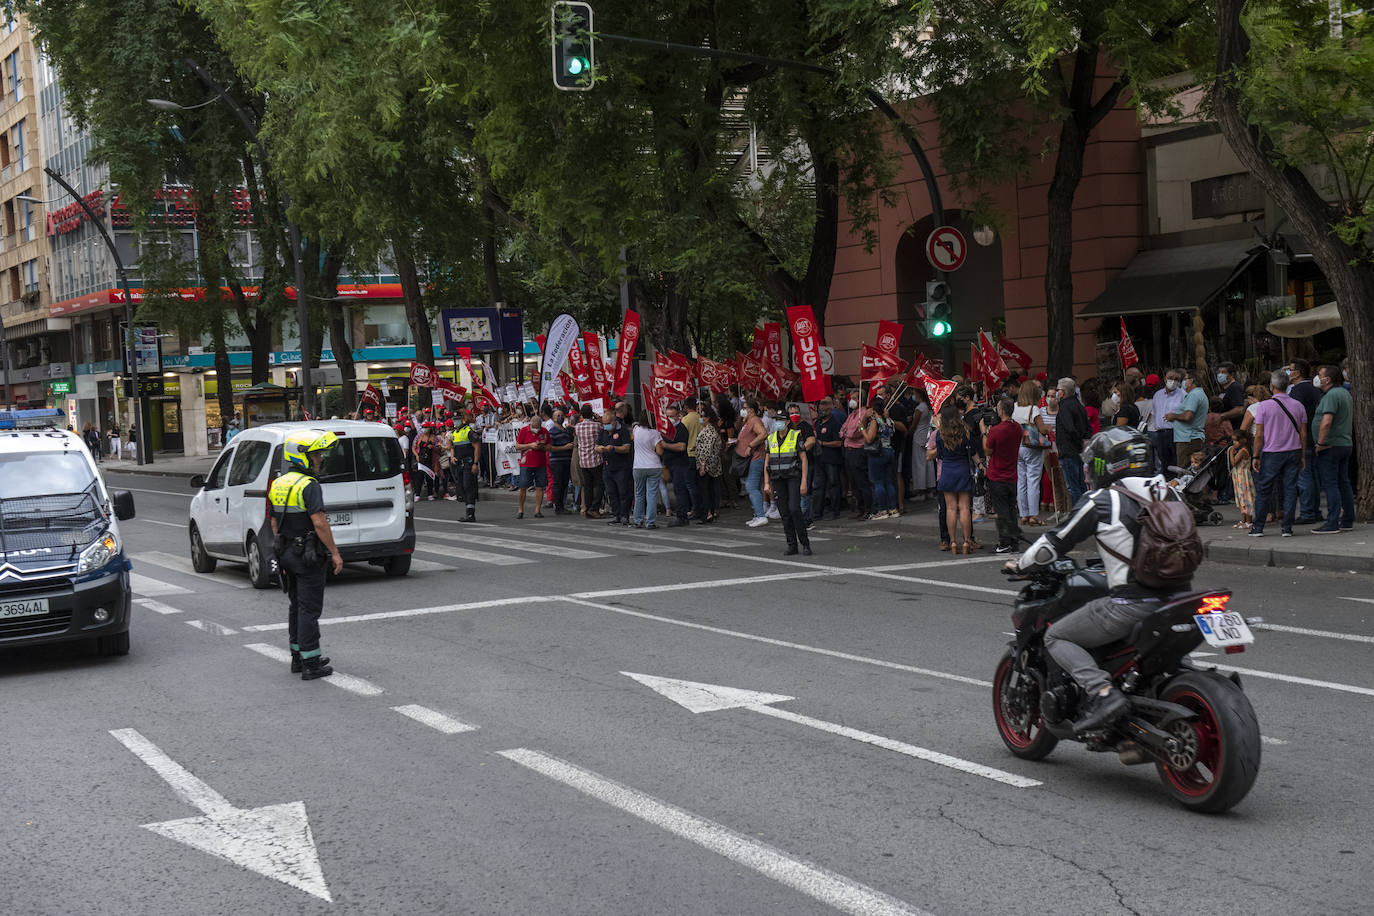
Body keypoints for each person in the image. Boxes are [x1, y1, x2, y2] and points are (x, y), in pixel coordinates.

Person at [1006, 427, 1181, 732]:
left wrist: (1022, 564)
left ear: (1110, 464)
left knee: (1056, 636)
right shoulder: (1169, 490)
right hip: (1179, 598)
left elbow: (1054, 543)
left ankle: (1102, 693)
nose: (1090, 471)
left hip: (1133, 603)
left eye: (1095, 463)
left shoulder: (1103, 499)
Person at [267, 430, 344, 681]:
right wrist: (334, 552)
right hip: (309, 554)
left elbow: (274, 522)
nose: (320, 458)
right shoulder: (309, 486)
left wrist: (282, 546)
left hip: (287, 551)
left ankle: (298, 657)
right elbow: (320, 523)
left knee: (296, 605)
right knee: (309, 609)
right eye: (316, 454)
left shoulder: (278, 483)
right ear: (301, 457)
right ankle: (311, 663)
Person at [1248, 369, 1308, 538]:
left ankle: (1258, 527)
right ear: (1287, 385)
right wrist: (1303, 455)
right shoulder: (1298, 405)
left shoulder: (1264, 406)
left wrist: (1255, 456)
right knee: (1290, 489)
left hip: (1272, 452)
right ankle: (1287, 527)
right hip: (1294, 450)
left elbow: (1259, 435)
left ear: (1272, 385)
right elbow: (1303, 434)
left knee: (1264, 489)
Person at [761, 402, 812, 556]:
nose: (778, 422)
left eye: (781, 420)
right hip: (777, 479)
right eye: (776, 420)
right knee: (784, 512)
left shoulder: (795, 435)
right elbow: (767, 462)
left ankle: (805, 543)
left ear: (787, 422)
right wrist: (767, 482)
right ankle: (792, 544)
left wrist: (804, 481)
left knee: (795, 509)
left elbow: (804, 459)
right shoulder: (771, 438)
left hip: (792, 478)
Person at [929, 403, 980, 554]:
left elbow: (939, 455)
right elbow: (971, 451)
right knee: (964, 508)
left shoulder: (940, 434)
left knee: (950, 508)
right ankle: (966, 541)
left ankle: (952, 542)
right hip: (962, 469)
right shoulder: (965, 431)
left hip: (947, 470)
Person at [1311, 364, 1356, 533]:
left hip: (1330, 446)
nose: (1317, 377)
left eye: (1319, 374)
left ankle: (1332, 522)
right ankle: (1347, 520)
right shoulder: (1344, 393)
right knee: (1343, 482)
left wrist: (1320, 443)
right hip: (1344, 444)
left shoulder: (1331, 396)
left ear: (1327, 379)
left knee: (1331, 483)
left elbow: (1326, 421)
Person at [984, 397, 1023, 553]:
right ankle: (1013, 541)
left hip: (998, 474)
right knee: (1011, 508)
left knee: (1001, 510)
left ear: (1001, 411)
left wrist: (983, 434)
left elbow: (988, 450)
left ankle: (1004, 542)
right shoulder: (1017, 428)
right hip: (1012, 474)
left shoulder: (996, 430)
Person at [1013, 380, 1051, 527]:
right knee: (1033, 480)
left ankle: (1023, 514)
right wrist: (1048, 428)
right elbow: (1042, 429)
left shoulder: (1015, 407)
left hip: (1017, 446)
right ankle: (1034, 515)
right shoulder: (1034, 409)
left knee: (1021, 481)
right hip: (1032, 447)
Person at [1054, 377, 1091, 506]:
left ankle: (1078, 513)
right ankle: (1085, 509)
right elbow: (1087, 426)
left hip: (1068, 449)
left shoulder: (1064, 406)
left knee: (1072, 485)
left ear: (1063, 392)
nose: (1057, 392)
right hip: (1078, 449)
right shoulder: (1079, 405)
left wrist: (1077, 439)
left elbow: (1070, 428)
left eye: (1058, 390)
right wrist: (1083, 440)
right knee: (1081, 483)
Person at [841, 390, 874, 520]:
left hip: (858, 451)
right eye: (851, 398)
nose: (851, 401)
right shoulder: (852, 414)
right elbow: (843, 429)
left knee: (862, 481)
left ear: (860, 400)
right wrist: (845, 433)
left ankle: (868, 509)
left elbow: (854, 433)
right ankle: (860, 509)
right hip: (848, 450)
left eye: (854, 398)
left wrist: (846, 433)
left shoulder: (864, 413)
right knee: (853, 482)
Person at [660, 403, 695, 527]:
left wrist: (666, 446)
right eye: (667, 416)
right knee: (677, 490)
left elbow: (681, 446)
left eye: (672, 416)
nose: (669, 419)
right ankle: (682, 515)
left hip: (680, 464)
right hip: (670, 463)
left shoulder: (680, 428)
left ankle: (682, 517)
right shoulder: (667, 429)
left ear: (677, 416)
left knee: (680, 491)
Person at [597, 407, 633, 526]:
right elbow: (596, 445)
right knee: (611, 493)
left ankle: (624, 515)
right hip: (607, 466)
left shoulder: (622, 430)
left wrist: (614, 448)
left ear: (614, 421)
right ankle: (616, 514)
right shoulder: (602, 431)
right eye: (604, 424)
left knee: (623, 492)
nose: (605, 426)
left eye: (607, 424)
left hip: (621, 467)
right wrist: (599, 448)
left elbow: (627, 448)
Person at [1166, 370, 1208, 469]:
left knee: (1185, 471)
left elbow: (1187, 416)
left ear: (1191, 380)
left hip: (1188, 440)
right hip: (1191, 438)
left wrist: (1174, 416)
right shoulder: (1199, 394)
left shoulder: (1194, 395)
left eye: (1185, 379)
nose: (1183, 383)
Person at [736, 401, 769, 527]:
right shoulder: (748, 421)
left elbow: (763, 434)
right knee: (753, 486)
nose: (743, 410)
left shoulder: (755, 421)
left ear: (751, 410)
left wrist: (751, 445)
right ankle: (757, 515)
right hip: (750, 458)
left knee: (751, 486)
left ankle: (761, 515)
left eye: (745, 408)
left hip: (756, 457)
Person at [631, 410, 664, 529]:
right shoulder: (655, 433)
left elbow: (633, 438)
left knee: (639, 493)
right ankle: (650, 522)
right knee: (652, 494)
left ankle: (638, 520)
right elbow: (660, 451)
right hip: (653, 465)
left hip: (638, 466)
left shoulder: (636, 430)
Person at [514, 415, 550, 519]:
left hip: (541, 463)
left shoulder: (544, 431)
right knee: (523, 487)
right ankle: (520, 510)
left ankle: (537, 510)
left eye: (538, 427)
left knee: (540, 487)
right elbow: (517, 446)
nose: (536, 429)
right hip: (526, 463)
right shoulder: (524, 430)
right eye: (535, 427)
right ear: (530, 424)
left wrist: (542, 446)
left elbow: (549, 445)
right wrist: (530, 445)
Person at [1149, 370, 1184, 473]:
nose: (1172, 381)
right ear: (1165, 379)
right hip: (1160, 433)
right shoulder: (1158, 395)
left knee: (1176, 461)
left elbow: (1187, 415)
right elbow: (1154, 413)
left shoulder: (1183, 395)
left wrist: (1175, 417)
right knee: (1164, 462)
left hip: (1175, 432)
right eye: (1170, 378)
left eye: (1176, 379)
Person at [695, 403, 724, 523]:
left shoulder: (709, 432)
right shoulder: (710, 430)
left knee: (705, 491)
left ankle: (707, 513)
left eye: (703, 416)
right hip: (713, 465)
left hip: (707, 465)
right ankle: (712, 511)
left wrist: (703, 466)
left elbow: (706, 451)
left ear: (708, 418)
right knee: (711, 490)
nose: (701, 418)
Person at [574, 404, 604, 518]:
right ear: (591, 414)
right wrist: (599, 419)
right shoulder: (596, 426)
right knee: (600, 484)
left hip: (583, 460)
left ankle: (587, 507)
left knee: (588, 486)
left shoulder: (577, 427)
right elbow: (603, 427)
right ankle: (594, 508)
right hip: (595, 459)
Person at [451, 410, 480, 521]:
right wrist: (452, 457)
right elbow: (453, 447)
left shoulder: (469, 431)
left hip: (468, 463)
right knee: (461, 488)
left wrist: (475, 463)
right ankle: (468, 510)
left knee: (469, 487)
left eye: (457, 419)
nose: (456, 422)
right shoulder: (454, 433)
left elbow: (477, 447)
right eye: (454, 420)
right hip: (459, 465)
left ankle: (471, 514)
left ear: (462, 420)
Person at [546, 408, 575, 513]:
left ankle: (562, 505)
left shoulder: (566, 431)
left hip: (566, 461)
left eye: (562, 415)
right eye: (557, 416)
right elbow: (550, 448)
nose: (560, 417)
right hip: (557, 461)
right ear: (553, 418)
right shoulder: (552, 431)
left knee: (564, 484)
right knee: (558, 483)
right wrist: (564, 447)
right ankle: (558, 506)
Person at [1229, 429, 1255, 530]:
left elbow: (1233, 462)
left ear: (1243, 440)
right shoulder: (1241, 450)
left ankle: (1249, 521)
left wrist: (1231, 452)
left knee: (1246, 499)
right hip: (1239, 477)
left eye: (1235, 441)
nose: (1234, 443)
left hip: (1243, 478)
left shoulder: (1243, 451)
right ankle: (1243, 520)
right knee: (1241, 499)